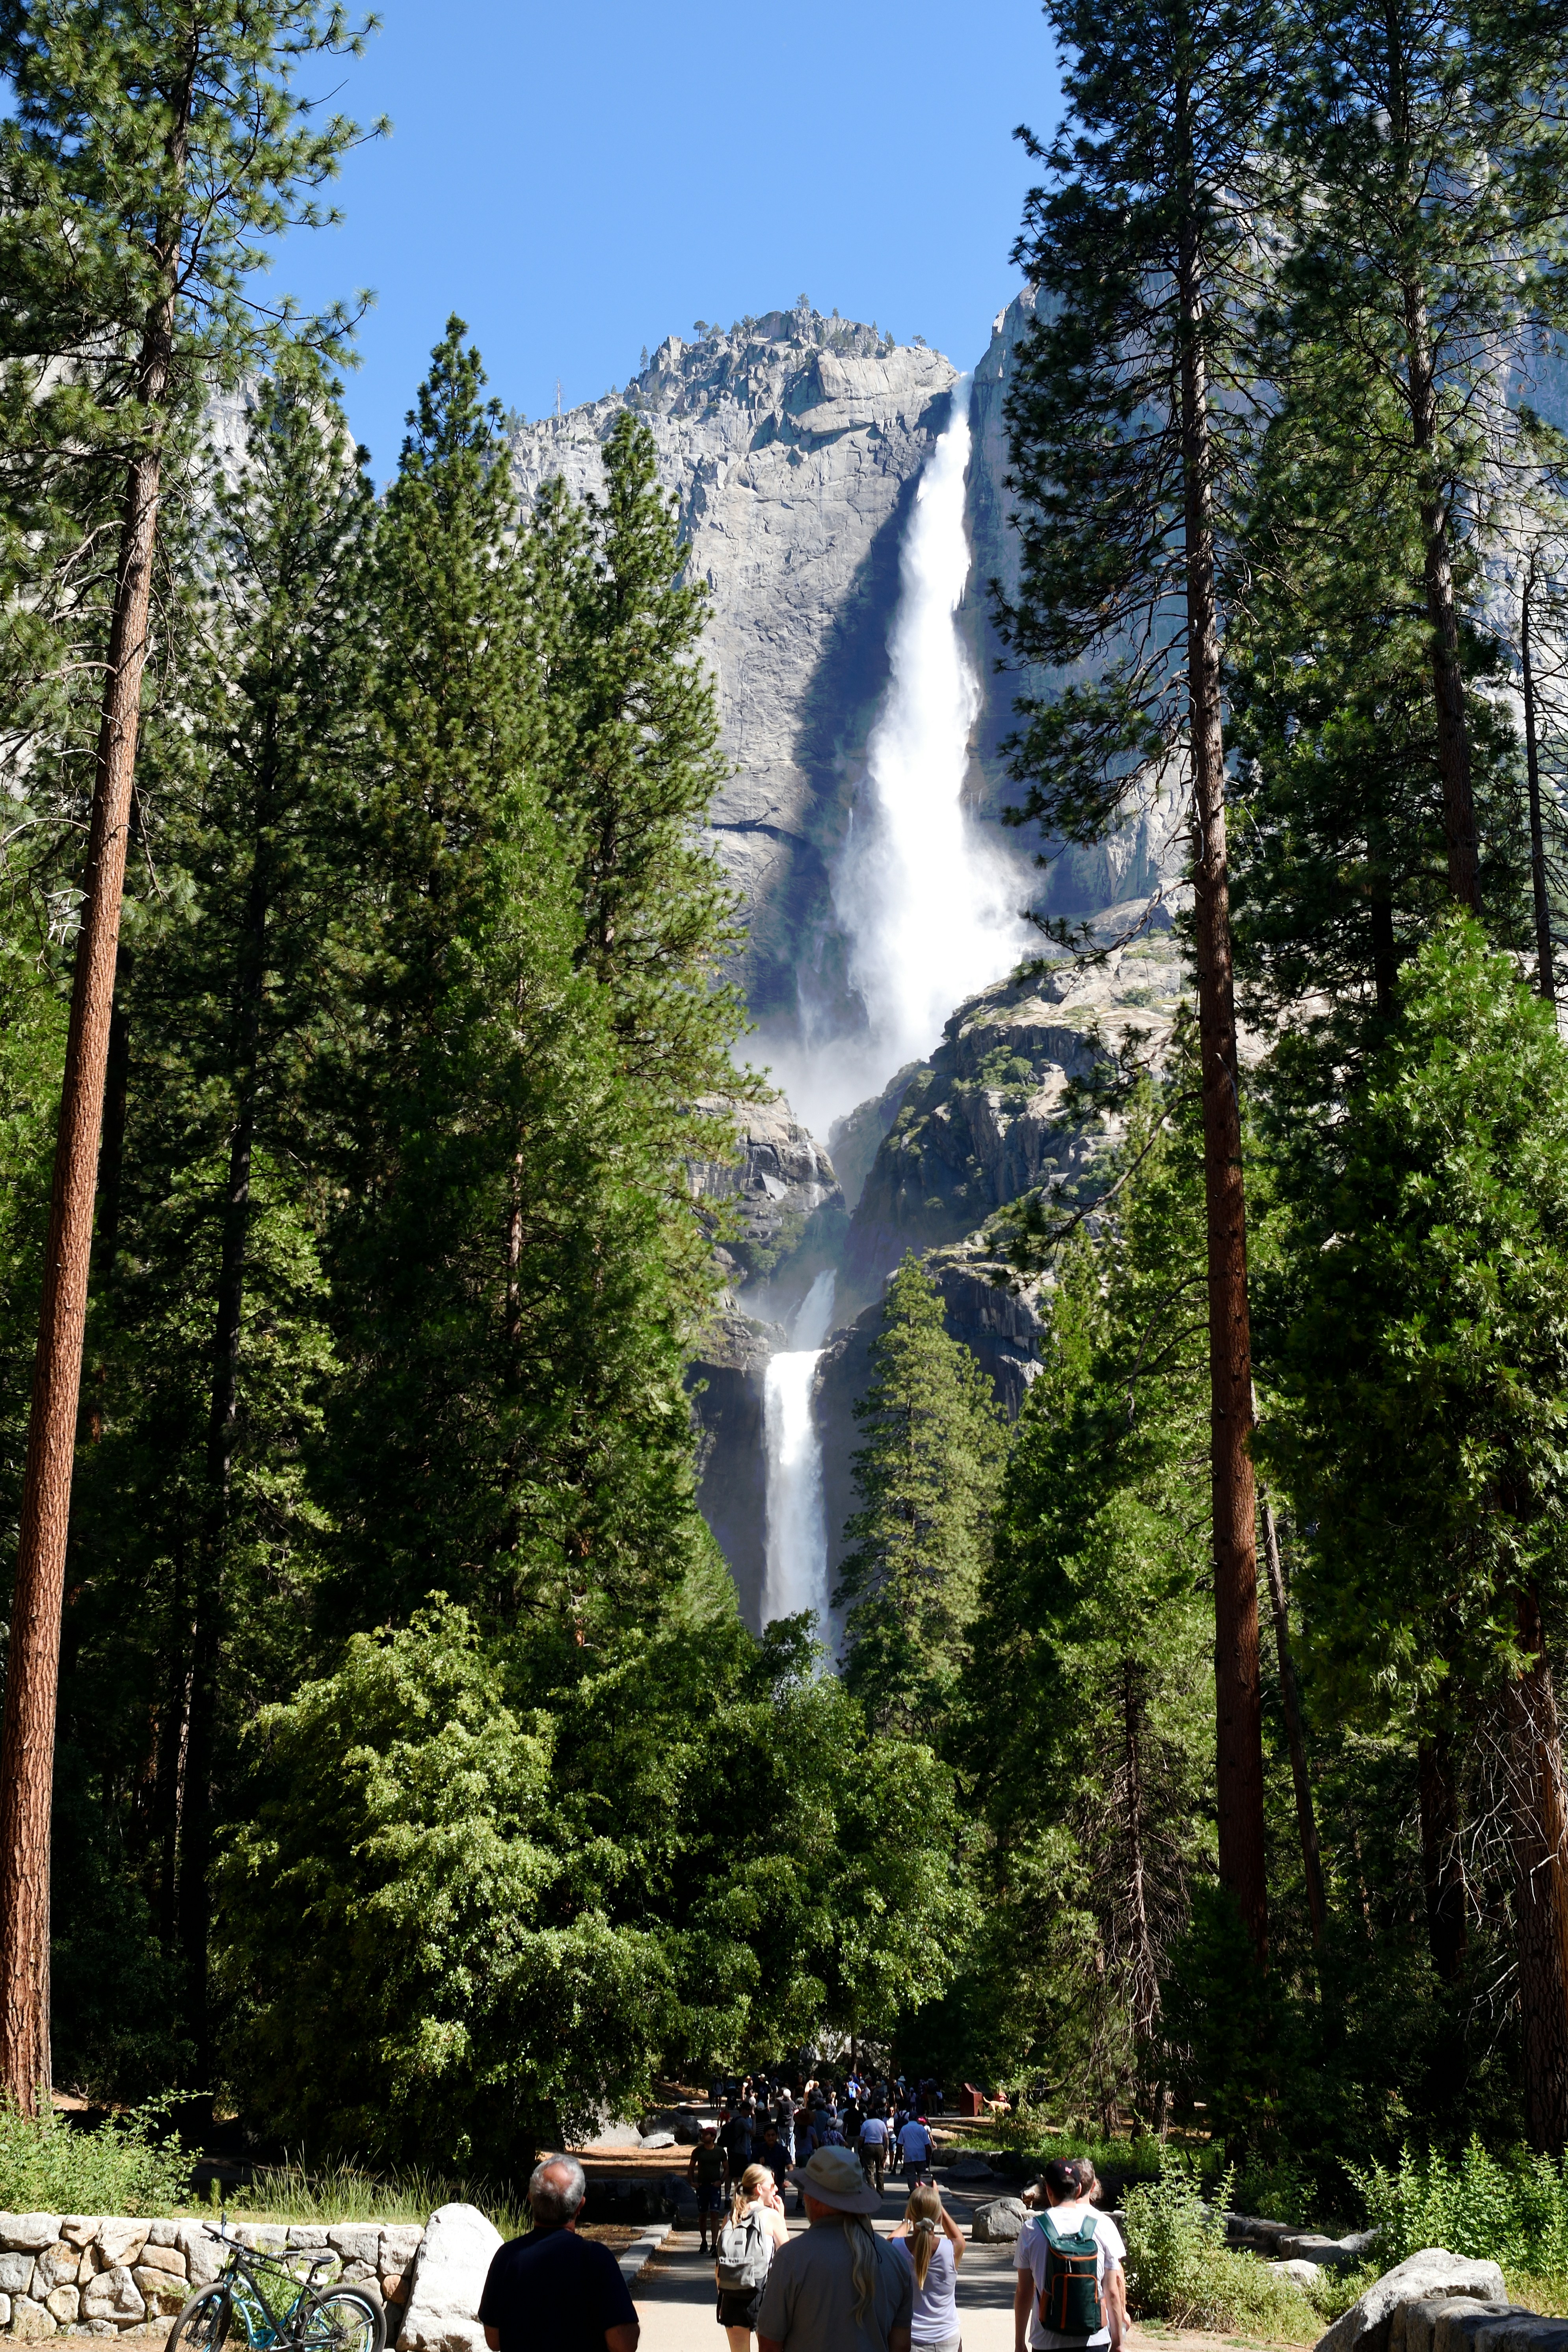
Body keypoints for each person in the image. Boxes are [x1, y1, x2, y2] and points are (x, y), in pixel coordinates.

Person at [757, 2146, 913, 2352]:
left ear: (814, 2200)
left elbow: (769, 2345)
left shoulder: (791, 2259)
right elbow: (901, 2346)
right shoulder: (894, 2260)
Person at [480, 2157, 639, 2352]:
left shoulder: (507, 2257)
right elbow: (624, 2343)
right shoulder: (595, 2259)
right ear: (580, 2206)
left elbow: (494, 2340)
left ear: (531, 2198)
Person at [1013, 2157, 1125, 2352]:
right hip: (1094, 2341)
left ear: (1047, 2190)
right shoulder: (1103, 2225)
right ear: (1080, 2190)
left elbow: (1024, 2292)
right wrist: (1118, 2343)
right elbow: (1113, 2292)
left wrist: (1019, 2342)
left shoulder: (1031, 2230)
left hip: (1046, 2341)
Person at [716, 2160, 789, 2352]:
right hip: (762, 2294)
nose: (776, 2190)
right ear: (759, 2188)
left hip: (731, 2293)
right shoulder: (770, 2216)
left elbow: (719, 2264)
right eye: (772, 2186)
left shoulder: (730, 2217)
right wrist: (781, 2217)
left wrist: (722, 2295)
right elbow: (788, 2258)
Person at [891, 2183, 964, 2352]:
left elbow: (892, 2238)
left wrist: (908, 2222)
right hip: (947, 2341)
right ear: (938, 2216)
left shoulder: (896, 2249)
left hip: (910, 2340)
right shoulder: (953, 2249)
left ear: (910, 2213)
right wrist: (937, 2203)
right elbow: (959, 2238)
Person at [691, 2123, 729, 2256]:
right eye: (702, 2134)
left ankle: (714, 2244)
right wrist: (692, 2182)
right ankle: (703, 2242)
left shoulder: (720, 2151)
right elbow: (691, 2167)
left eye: (706, 2134)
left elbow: (727, 2168)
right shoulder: (697, 2151)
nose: (703, 2136)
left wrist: (721, 2181)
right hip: (702, 2187)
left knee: (715, 2214)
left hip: (714, 2187)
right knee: (702, 2215)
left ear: (713, 2137)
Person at [857, 2108, 890, 2195]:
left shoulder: (866, 2124)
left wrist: (859, 2148)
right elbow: (886, 2137)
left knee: (869, 2170)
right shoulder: (882, 2123)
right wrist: (886, 2149)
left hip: (868, 2147)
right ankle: (881, 2191)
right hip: (880, 2146)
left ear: (868, 2116)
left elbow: (861, 2139)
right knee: (880, 2170)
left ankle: (872, 2191)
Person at [897, 2114, 934, 2187]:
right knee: (922, 2174)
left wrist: (900, 2155)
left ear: (909, 2119)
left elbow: (900, 2144)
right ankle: (922, 2191)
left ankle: (913, 2192)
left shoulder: (904, 2128)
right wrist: (928, 2155)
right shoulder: (921, 2128)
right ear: (917, 2119)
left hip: (909, 2155)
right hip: (920, 2155)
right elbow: (927, 2144)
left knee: (911, 2175)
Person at [758, 2121, 791, 2194]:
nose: (771, 2138)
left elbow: (790, 2167)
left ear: (777, 2136)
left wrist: (788, 2180)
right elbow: (752, 2169)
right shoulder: (759, 2150)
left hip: (779, 2188)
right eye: (768, 2135)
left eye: (773, 2135)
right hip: (763, 2189)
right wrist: (759, 2164)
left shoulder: (783, 2150)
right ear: (765, 2137)